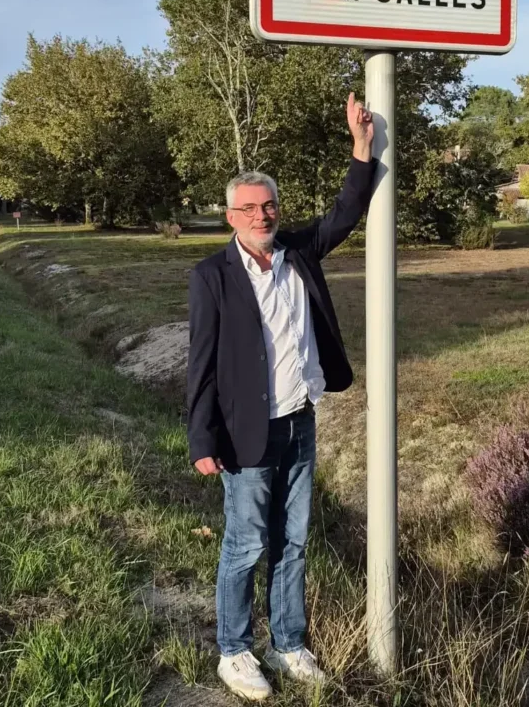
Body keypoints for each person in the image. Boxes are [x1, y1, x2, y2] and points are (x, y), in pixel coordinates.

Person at [187, 93, 376, 701]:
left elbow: (346, 211)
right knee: (246, 544)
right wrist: (201, 438)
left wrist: (361, 148)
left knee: (293, 542)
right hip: (245, 432)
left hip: (299, 422)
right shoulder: (212, 277)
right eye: (249, 208)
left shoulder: (299, 252)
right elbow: (202, 364)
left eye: (268, 205)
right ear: (231, 217)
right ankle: (234, 651)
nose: (261, 215)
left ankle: (288, 644)